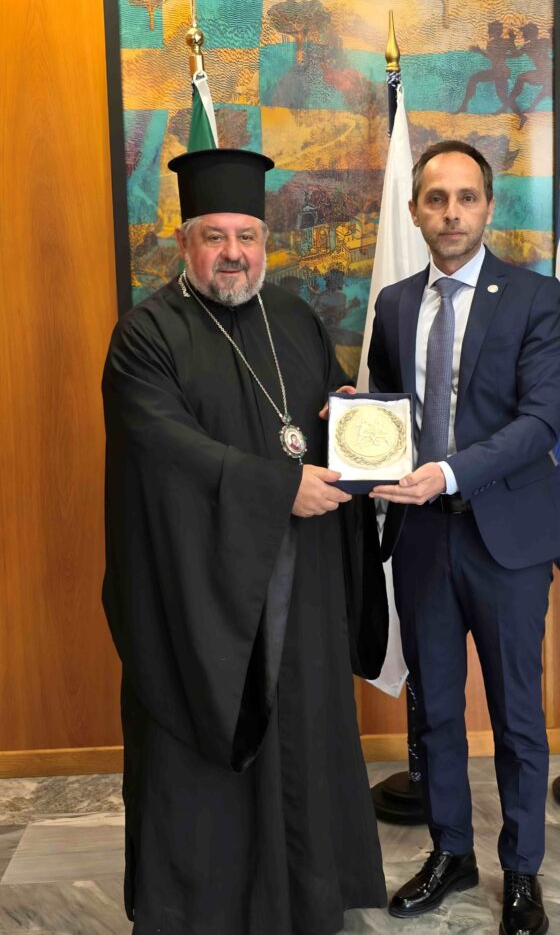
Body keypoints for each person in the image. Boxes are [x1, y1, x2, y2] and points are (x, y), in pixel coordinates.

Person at [102, 147, 388, 935]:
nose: (233, 253)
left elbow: (313, 418)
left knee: (304, 740)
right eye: (215, 236)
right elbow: (164, 449)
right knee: (201, 758)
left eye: (248, 236)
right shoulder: (146, 335)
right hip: (202, 596)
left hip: (304, 584)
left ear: (267, 242)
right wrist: (276, 489)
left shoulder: (294, 317)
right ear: (184, 242)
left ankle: (304, 902)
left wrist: (349, 419)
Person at [367, 140, 560, 935]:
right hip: (423, 540)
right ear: (416, 210)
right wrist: (359, 418)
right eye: (436, 199)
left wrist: (448, 474)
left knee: (518, 716)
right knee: (436, 713)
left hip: (508, 540)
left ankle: (521, 871)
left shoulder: (534, 297)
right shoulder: (393, 304)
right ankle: (451, 852)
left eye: (466, 198)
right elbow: (391, 411)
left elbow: (538, 423)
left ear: (487, 208)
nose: (450, 213)